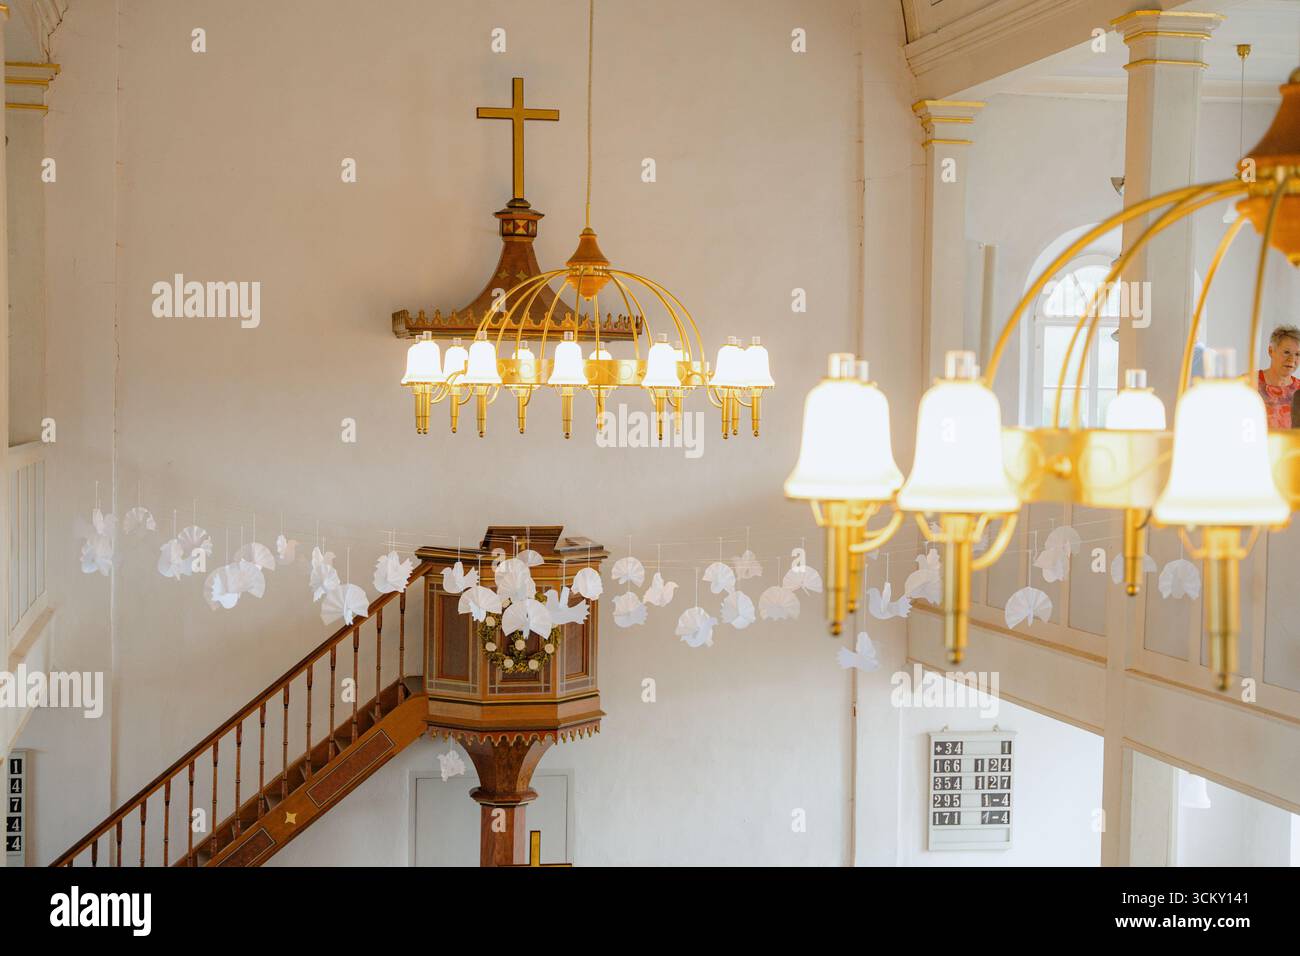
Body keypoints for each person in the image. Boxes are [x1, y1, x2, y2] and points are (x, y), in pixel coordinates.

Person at [1258, 324, 1300, 429]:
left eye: (1297, 354)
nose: (1292, 359)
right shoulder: (1248, 383)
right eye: (1286, 352)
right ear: (1271, 351)